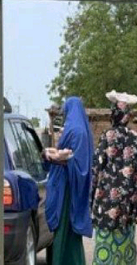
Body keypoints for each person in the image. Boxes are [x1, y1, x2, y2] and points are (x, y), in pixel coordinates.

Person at [91, 90, 137, 265]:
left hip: (105, 202)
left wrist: (90, 200)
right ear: (127, 116)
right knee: (124, 245)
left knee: (104, 244)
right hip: (127, 203)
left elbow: (96, 169)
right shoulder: (136, 139)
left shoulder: (107, 137)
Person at [44, 96, 94, 265]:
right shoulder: (78, 129)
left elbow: (80, 163)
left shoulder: (77, 131)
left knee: (64, 229)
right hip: (65, 185)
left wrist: (57, 158)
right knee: (67, 233)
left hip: (67, 189)